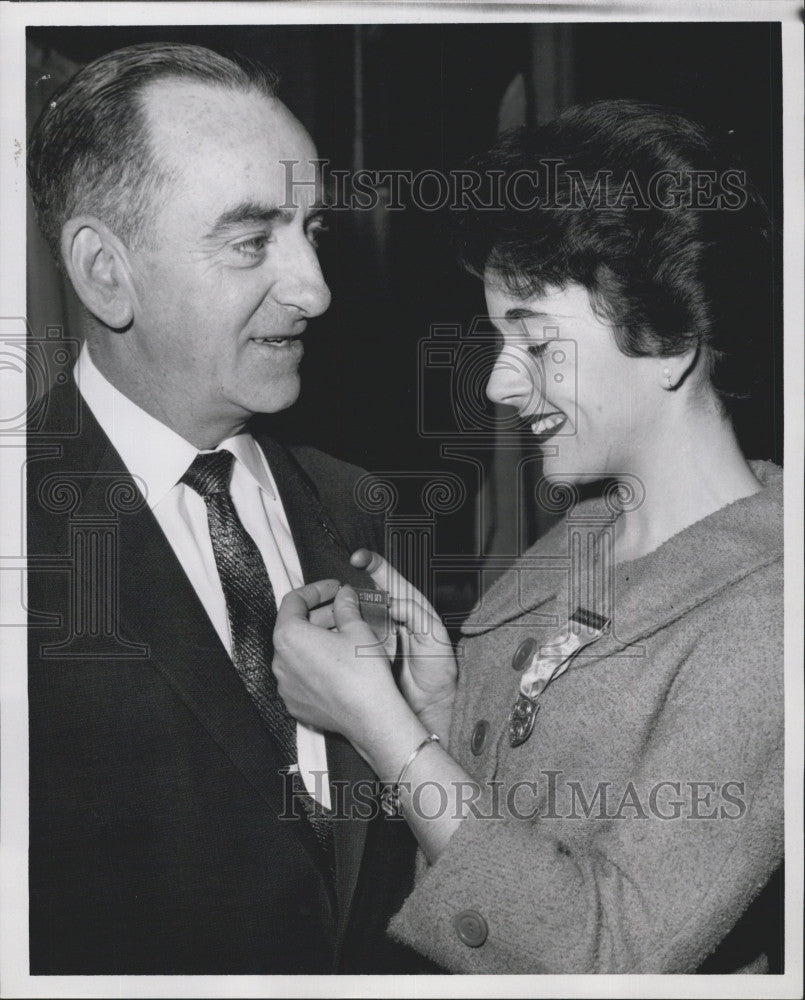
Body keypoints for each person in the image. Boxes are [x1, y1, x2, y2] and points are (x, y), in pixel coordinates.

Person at [271, 100, 784, 974]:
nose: (504, 386)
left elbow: (602, 955)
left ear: (667, 343)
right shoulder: (571, 547)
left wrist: (386, 731)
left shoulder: (771, 614)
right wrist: (439, 711)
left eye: (537, 343)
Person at [26, 41, 423, 975]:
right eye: (251, 242)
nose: (315, 290)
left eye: (311, 230)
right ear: (103, 271)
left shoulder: (361, 509)